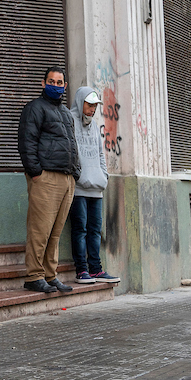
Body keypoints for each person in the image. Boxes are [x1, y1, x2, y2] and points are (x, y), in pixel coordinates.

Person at [17, 67, 81, 294]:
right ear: (43, 83)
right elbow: (27, 142)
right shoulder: (34, 108)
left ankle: (50, 275)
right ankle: (34, 276)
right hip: (46, 178)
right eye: (51, 81)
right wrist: (35, 172)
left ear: (65, 86)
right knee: (40, 229)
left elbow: (72, 143)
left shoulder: (65, 113)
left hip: (66, 178)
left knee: (55, 232)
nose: (56, 85)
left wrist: (76, 172)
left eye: (60, 82)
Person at [69, 86, 120, 285]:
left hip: (96, 188)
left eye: (95, 106)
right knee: (80, 228)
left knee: (95, 229)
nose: (92, 109)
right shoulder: (70, 121)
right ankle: (82, 270)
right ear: (80, 102)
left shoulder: (95, 125)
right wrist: (77, 176)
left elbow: (100, 154)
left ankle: (97, 270)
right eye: (89, 105)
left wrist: (104, 176)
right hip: (79, 188)